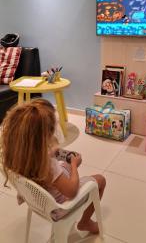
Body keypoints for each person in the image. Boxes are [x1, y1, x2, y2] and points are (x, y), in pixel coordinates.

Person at [1, 99, 106, 234]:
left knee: (65, 163)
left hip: (36, 200)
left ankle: (70, 165)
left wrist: (52, 153)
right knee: (100, 180)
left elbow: (45, 165)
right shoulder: (48, 166)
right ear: (44, 136)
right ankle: (85, 222)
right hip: (58, 206)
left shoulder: (16, 156)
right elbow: (71, 191)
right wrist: (74, 166)